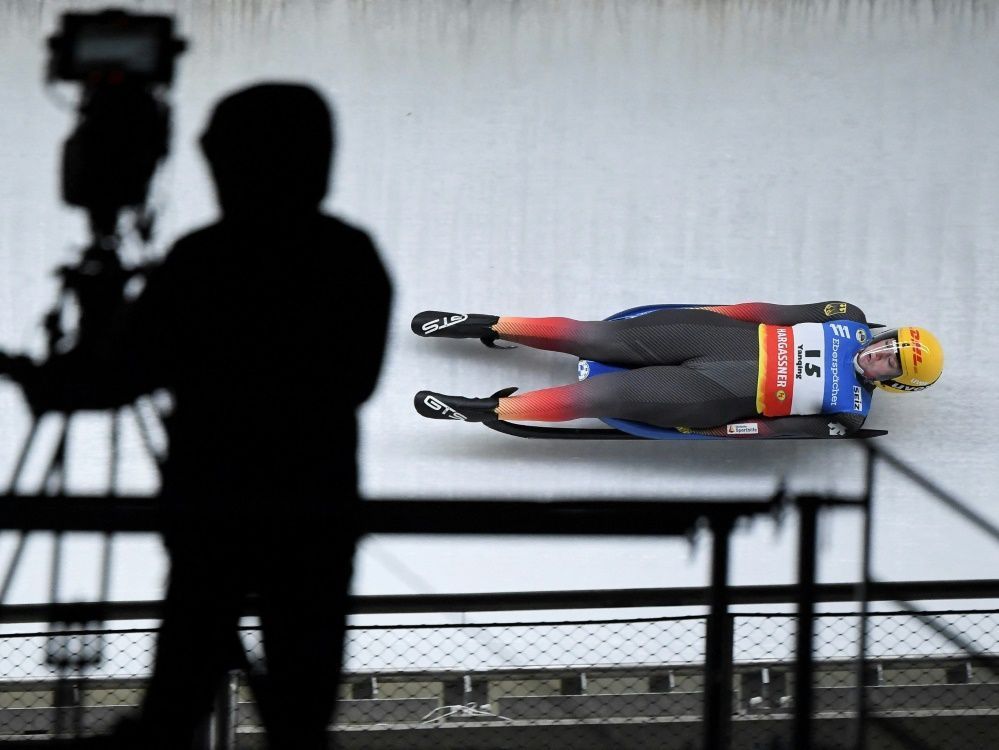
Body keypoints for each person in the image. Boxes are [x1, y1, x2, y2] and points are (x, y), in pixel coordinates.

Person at [0, 83, 391, 748]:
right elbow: (352, 381)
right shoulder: (346, 255)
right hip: (312, 512)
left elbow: (124, 374)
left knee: (186, 668)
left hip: (212, 510)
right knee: (299, 707)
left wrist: (51, 375)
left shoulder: (204, 260)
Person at [411, 302, 942, 438]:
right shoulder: (845, 319)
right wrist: (707, 314)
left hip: (712, 391)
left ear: (893, 380)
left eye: (892, 361)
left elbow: (767, 430)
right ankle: (488, 322)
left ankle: (485, 408)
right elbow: (769, 313)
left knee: (603, 398)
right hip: (714, 336)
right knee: (595, 335)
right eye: (889, 343)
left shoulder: (847, 413)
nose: (880, 353)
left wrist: (711, 431)